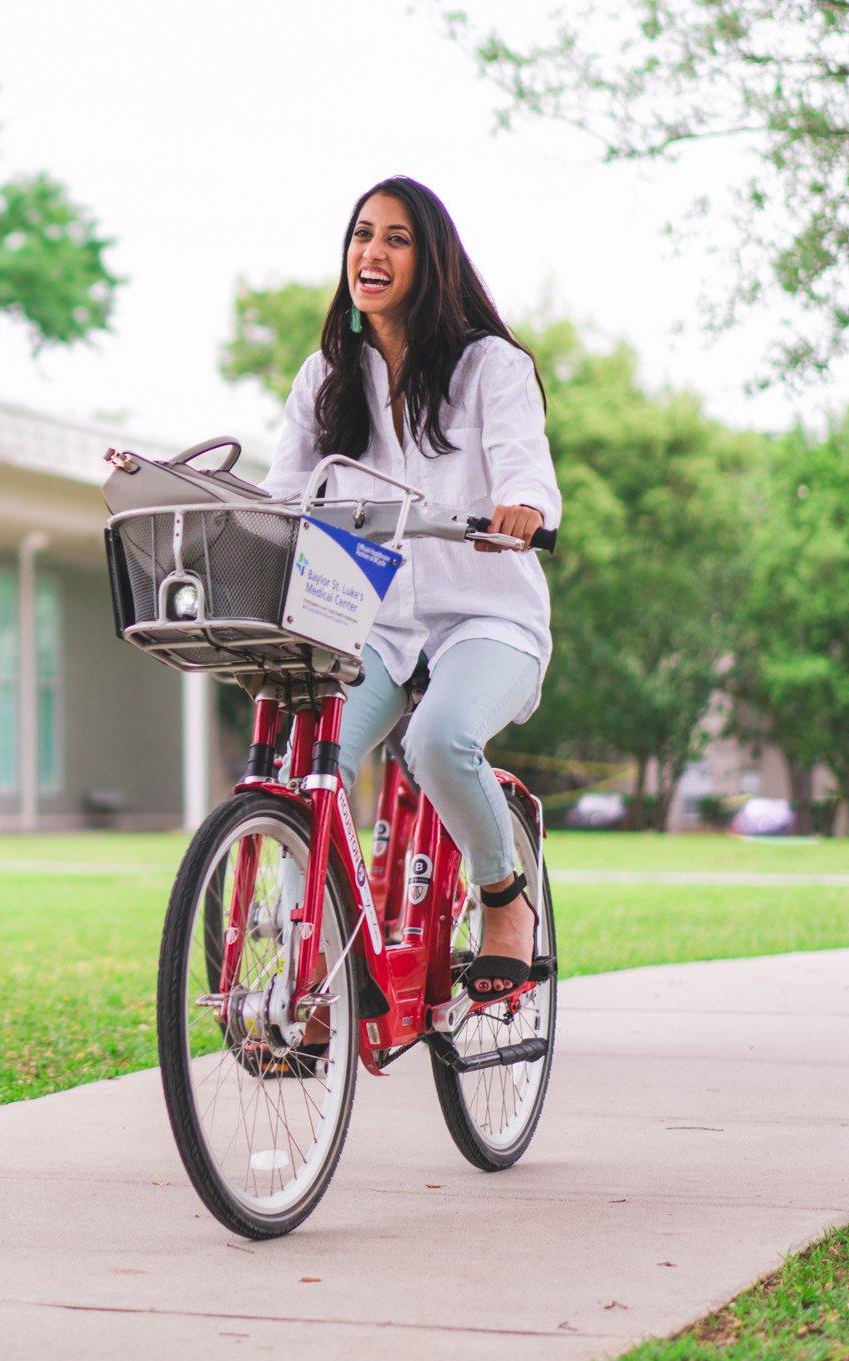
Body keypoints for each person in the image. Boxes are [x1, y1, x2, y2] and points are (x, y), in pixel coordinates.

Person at [261, 175, 560, 1001]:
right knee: (303, 779)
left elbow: (524, 461)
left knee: (439, 740)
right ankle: (310, 981)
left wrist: (526, 505)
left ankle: (503, 895)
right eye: (362, 234)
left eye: (396, 238)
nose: (373, 252)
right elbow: (287, 492)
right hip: (375, 620)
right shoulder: (326, 374)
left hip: (486, 612)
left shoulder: (487, 365)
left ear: (432, 261)